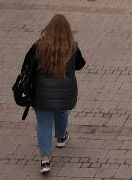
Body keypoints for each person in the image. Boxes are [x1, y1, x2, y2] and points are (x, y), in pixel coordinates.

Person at [21, 14, 86, 175]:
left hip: (41, 94)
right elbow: (80, 65)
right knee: (62, 111)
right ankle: (61, 137)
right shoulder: (72, 47)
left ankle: (45, 160)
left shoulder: (39, 46)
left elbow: (26, 65)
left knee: (44, 124)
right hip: (65, 92)